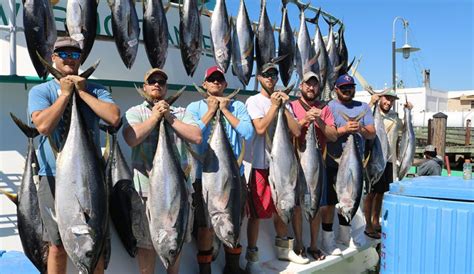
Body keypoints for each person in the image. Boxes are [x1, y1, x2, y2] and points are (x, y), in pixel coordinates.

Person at [28, 36, 121, 274]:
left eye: (74, 55)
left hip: (91, 177)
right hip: (53, 175)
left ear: (80, 58)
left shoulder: (95, 89)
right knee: (57, 245)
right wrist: (64, 95)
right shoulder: (41, 91)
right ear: (53, 59)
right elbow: (43, 127)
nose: (70, 59)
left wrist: (81, 93)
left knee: (96, 242)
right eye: (64, 55)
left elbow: (114, 118)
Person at [122, 68, 202, 274]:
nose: (157, 84)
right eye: (152, 81)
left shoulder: (181, 113)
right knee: (146, 244)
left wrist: (169, 118)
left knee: (175, 240)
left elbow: (197, 136)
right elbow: (131, 138)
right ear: (144, 87)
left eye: (162, 82)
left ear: (166, 87)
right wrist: (155, 117)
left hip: (180, 192)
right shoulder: (135, 112)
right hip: (147, 193)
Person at [185, 66, 254, 274]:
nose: (216, 82)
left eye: (219, 79)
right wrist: (211, 111)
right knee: (205, 225)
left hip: (235, 176)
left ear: (224, 84)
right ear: (204, 84)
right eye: (211, 79)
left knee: (234, 219)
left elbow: (248, 132)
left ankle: (233, 268)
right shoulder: (194, 107)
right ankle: (204, 271)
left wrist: (224, 110)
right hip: (204, 176)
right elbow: (193, 133)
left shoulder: (237, 106)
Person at [244, 62, 308, 273]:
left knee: (283, 207)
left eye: (274, 74)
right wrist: (273, 106)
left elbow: (297, 131)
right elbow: (260, 128)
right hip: (261, 165)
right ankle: (252, 259)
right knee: (257, 213)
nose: (271, 77)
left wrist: (283, 107)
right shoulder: (253, 101)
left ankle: (283, 249)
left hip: (282, 165)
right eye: (266, 74)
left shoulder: (285, 103)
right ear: (259, 78)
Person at [320, 74, 376, 255]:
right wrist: (344, 129)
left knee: (350, 198)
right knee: (329, 202)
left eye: (350, 87)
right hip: (332, 161)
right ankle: (327, 240)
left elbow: (372, 133)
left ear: (354, 89)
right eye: (343, 87)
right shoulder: (329, 107)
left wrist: (359, 128)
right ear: (336, 89)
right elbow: (326, 132)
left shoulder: (364, 107)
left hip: (355, 163)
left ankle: (344, 236)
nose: (347, 90)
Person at [289, 71, 338, 260]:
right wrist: (304, 120)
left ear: (318, 87)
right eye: (308, 84)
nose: (311, 87)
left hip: (317, 162)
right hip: (296, 162)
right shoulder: (291, 106)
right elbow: (290, 131)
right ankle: (299, 243)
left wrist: (318, 120)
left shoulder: (324, 109)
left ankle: (314, 245)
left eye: (315, 84)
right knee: (297, 206)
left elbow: (333, 135)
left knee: (315, 204)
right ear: (300, 86)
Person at [364, 91, 413, 238]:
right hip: (374, 158)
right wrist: (371, 102)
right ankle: (368, 225)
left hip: (390, 160)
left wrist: (408, 111)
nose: (388, 102)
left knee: (380, 193)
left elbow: (406, 130)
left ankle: (375, 221)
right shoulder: (371, 113)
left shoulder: (395, 117)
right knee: (371, 193)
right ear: (380, 98)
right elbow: (361, 119)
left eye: (391, 100)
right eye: (386, 98)